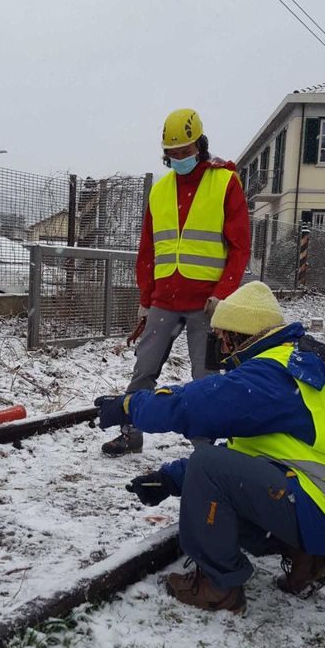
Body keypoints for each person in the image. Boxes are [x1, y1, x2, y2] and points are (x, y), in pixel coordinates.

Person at [95, 281, 325, 613]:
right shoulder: (292, 365)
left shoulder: (270, 373)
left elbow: (193, 406)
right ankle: (308, 556)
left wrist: (129, 407)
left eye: (224, 336)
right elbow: (249, 453)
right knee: (216, 472)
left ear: (241, 334)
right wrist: (169, 479)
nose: (221, 345)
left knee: (207, 463)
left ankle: (218, 586)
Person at [102, 107, 250, 456]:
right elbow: (148, 250)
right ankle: (130, 433)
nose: (179, 158)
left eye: (185, 151)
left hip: (206, 304)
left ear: (199, 144)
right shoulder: (160, 190)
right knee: (144, 369)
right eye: (173, 153)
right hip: (164, 301)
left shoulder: (225, 182)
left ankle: (205, 449)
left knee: (207, 380)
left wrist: (223, 293)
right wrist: (146, 295)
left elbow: (241, 246)